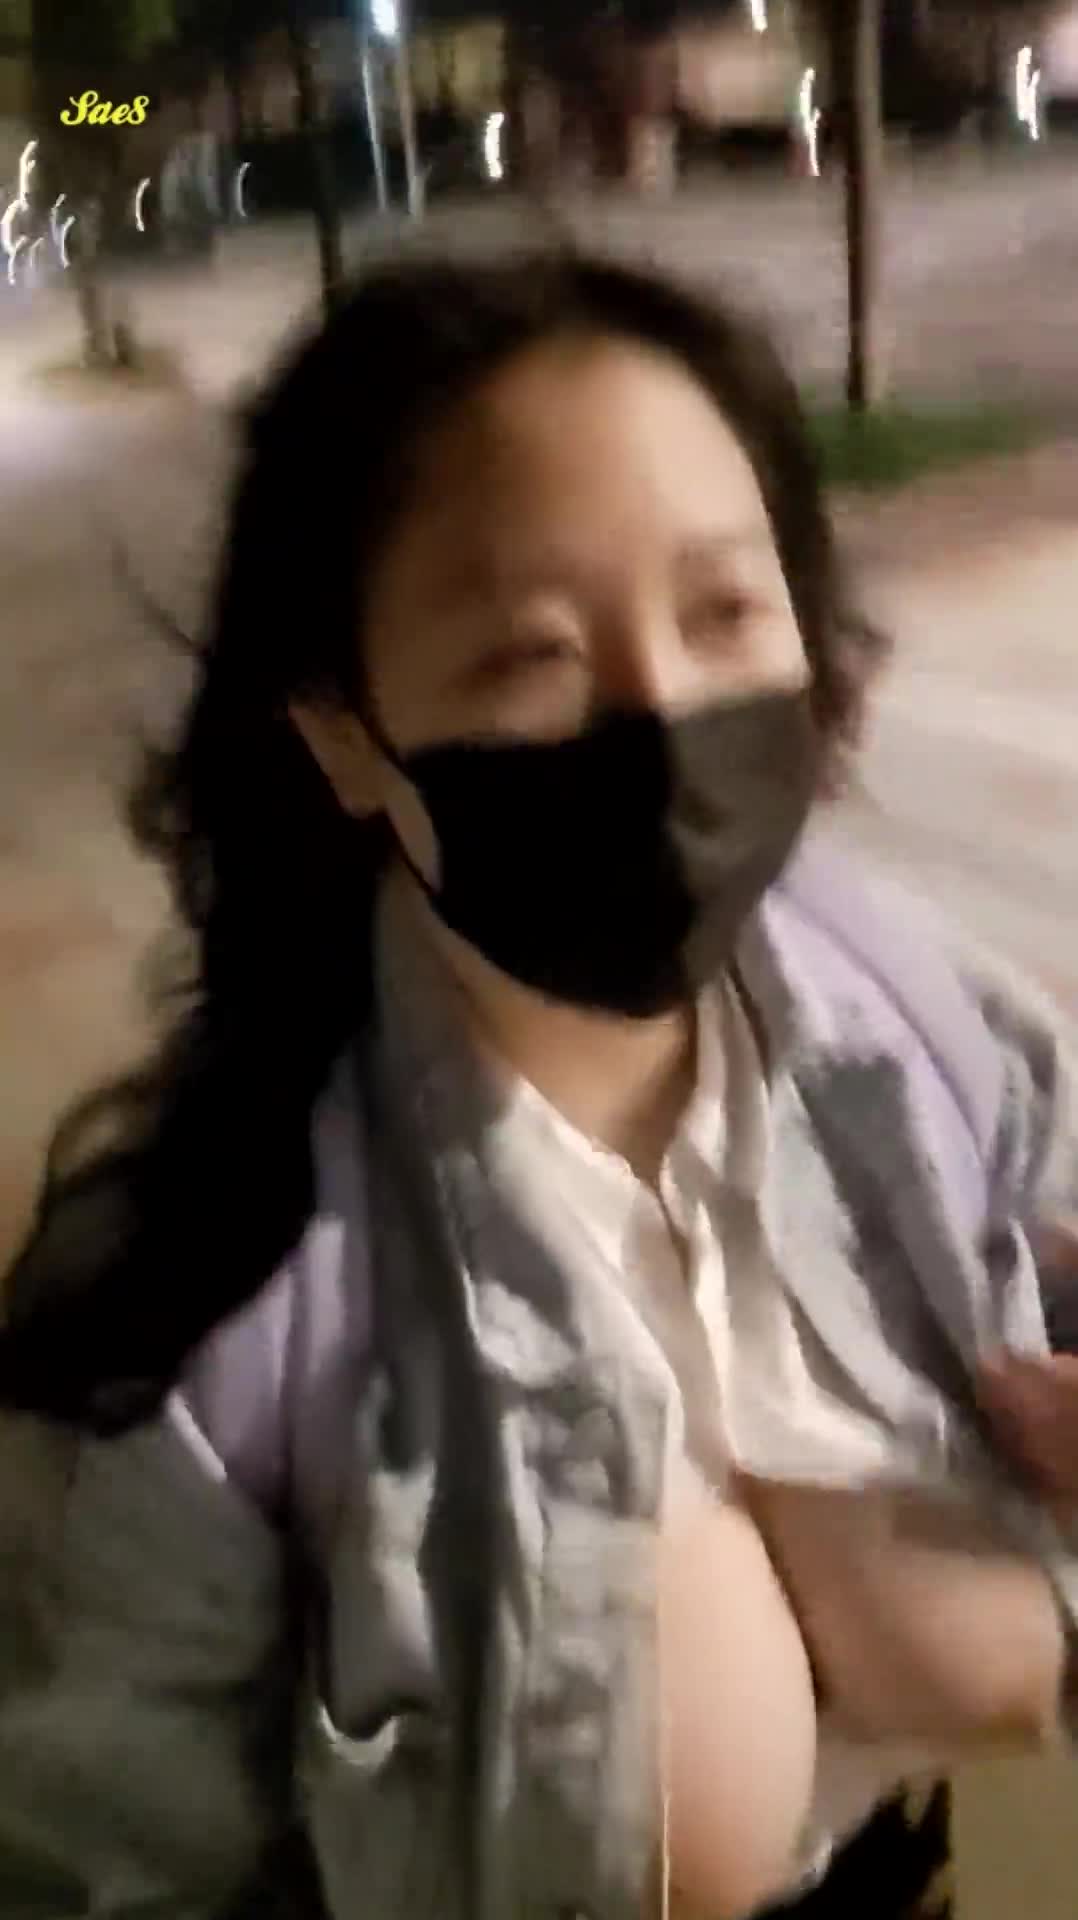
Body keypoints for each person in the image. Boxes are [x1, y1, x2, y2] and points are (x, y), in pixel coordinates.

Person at [1, 249, 1076, 1920]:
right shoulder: (208, 1312)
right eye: (529, 656)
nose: (661, 717)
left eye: (723, 613)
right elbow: (108, 1861)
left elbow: (1037, 1234)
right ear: (344, 731)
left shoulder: (912, 1013)